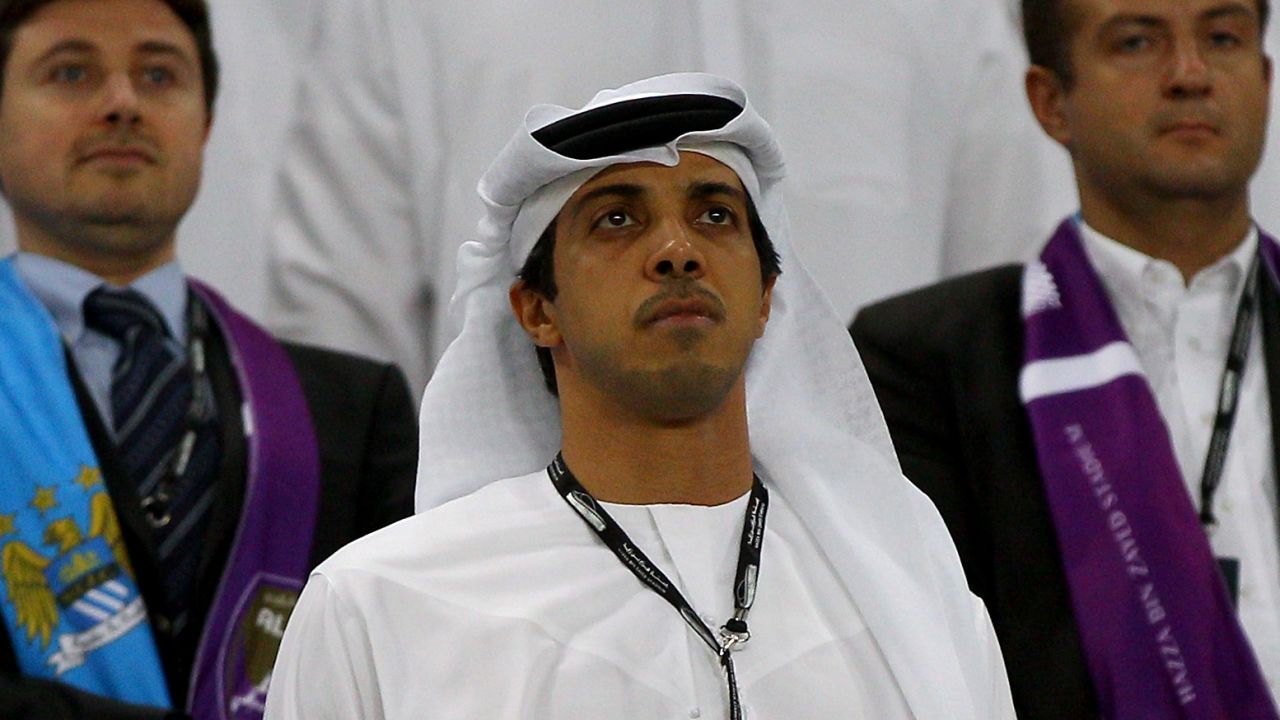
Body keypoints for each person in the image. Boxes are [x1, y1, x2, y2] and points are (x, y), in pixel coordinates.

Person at [264, 72, 1014, 720]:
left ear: (765, 299)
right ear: (536, 310)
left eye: (714, 215)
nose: (677, 250)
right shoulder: (380, 606)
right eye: (617, 218)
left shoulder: (908, 594)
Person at [262, 0, 1074, 396]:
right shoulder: (413, 11)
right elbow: (341, 346)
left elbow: (1008, 317)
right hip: (514, 581)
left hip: (868, 574)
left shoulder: (945, 13)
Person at [852, 0, 1280, 717]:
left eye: (1223, 36)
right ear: (1051, 103)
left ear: (1265, 77)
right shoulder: (927, 363)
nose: (1190, 73)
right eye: (1138, 41)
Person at [0, 1, 418, 719]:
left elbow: (400, 677)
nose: (122, 103)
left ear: (207, 122)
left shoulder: (353, 410)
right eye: (71, 72)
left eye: (159, 75)